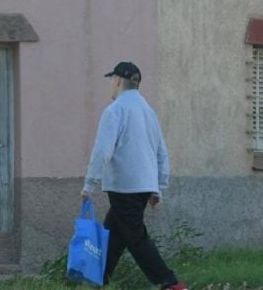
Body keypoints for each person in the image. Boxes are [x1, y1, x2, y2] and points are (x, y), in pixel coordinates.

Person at [80, 61, 188, 290]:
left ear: (118, 81)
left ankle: (170, 283)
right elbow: (160, 151)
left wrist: (89, 183)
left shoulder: (115, 110)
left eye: (112, 80)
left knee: (136, 238)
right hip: (141, 187)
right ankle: (98, 280)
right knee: (114, 235)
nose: (111, 84)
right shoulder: (149, 112)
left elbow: (102, 150)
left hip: (123, 187)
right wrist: (158, 186)